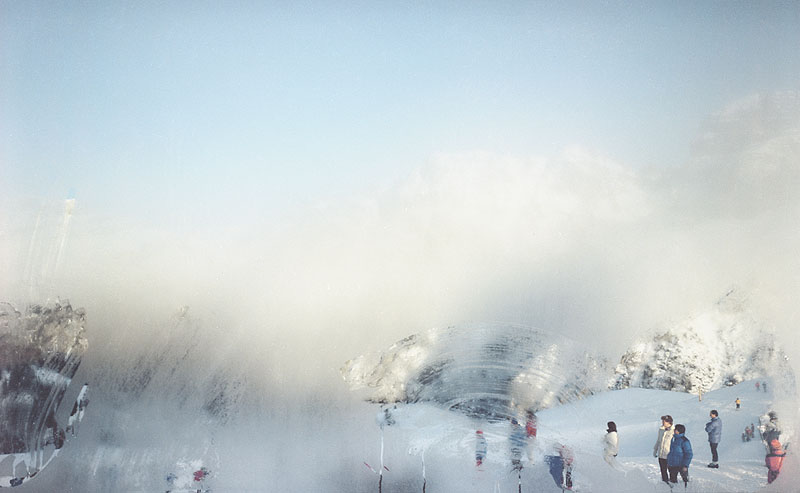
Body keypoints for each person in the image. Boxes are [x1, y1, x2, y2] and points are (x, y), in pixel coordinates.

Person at [654, 415, 675, 483]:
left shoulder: (673, 431)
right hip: (661, 454)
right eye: (662, 421)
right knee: (663, 470)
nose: (663, 422)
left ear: (669, 422)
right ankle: (665, 483)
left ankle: (673, 483)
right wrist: (655, 450)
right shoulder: (661, 430)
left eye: (665, 421)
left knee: (671, 470)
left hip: (669, 455)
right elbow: (658, 440)